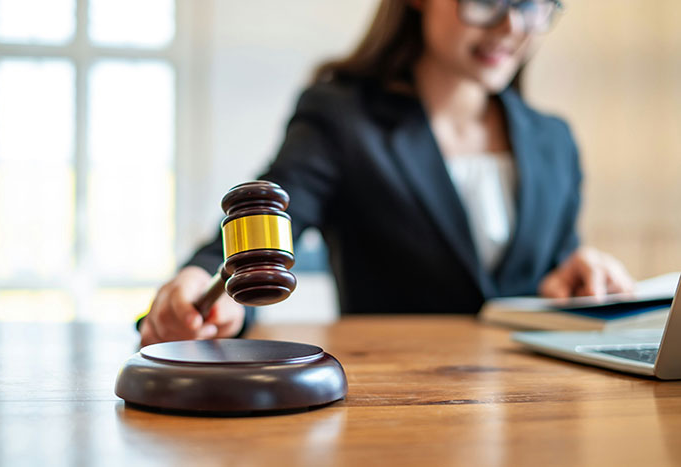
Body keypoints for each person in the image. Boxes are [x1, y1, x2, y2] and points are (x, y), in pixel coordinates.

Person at [138, 0, 634, 346]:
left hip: (535, 414)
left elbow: (550, 276)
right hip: (394, 407)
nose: (511, 26)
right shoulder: (342, 117)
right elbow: (267, 216)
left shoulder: (554, 140)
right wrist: (201, 283)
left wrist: (577, 275)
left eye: (533, 2)